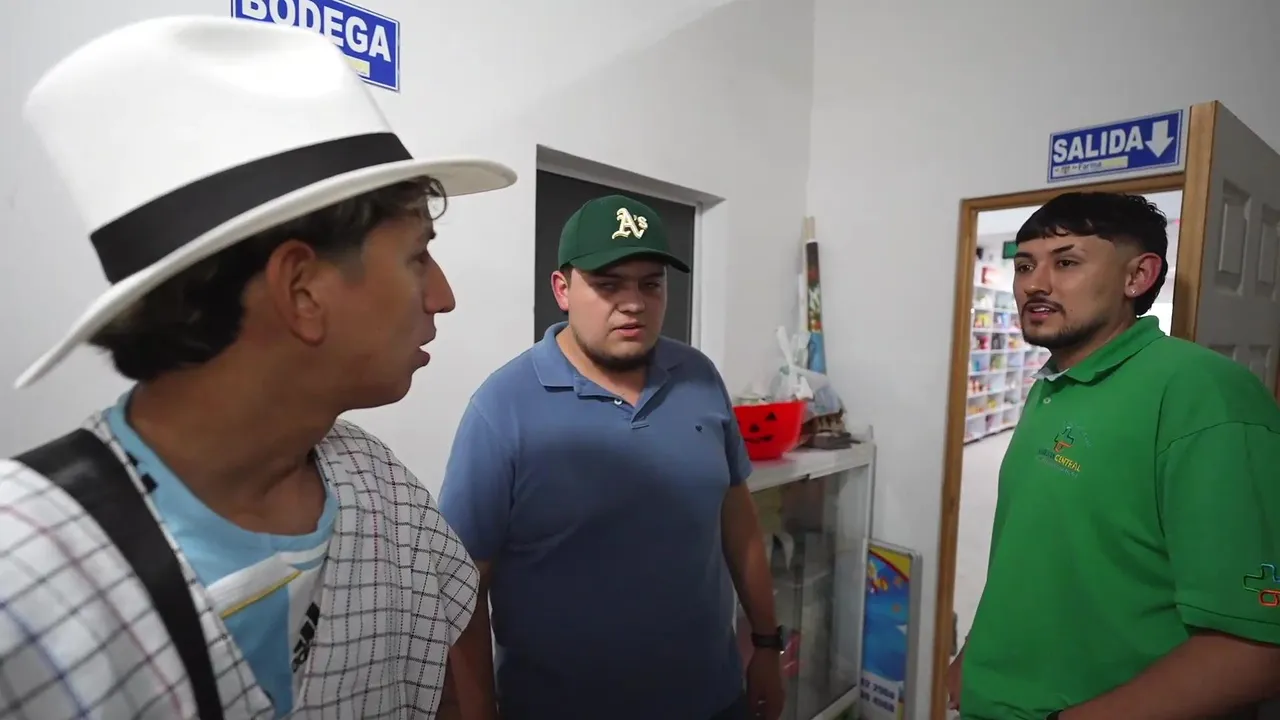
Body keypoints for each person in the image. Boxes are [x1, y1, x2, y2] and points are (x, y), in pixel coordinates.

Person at [0, 16, 516, 720]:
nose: (443, 296)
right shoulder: (23, 572)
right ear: (302, 291)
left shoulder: (377, 485)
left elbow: (454, 628)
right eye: (417, 255)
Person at [438, 194, 785, 720]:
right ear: (562, 289)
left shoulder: (699, 377)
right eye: (608, 284)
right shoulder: (502, 408)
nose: (634, 303)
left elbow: (738, 522)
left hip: (714, 700)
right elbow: (463, 586)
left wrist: (766, 643)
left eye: (650, 284)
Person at [950, 192, 1280, 719]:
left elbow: (1255, 647)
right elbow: (1032, 549)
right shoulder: (1052, 385)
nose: (1034, 284)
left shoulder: (1205, 395)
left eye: (1066, 263)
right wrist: (975, 653)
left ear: (1137, 276)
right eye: (1026, 265)